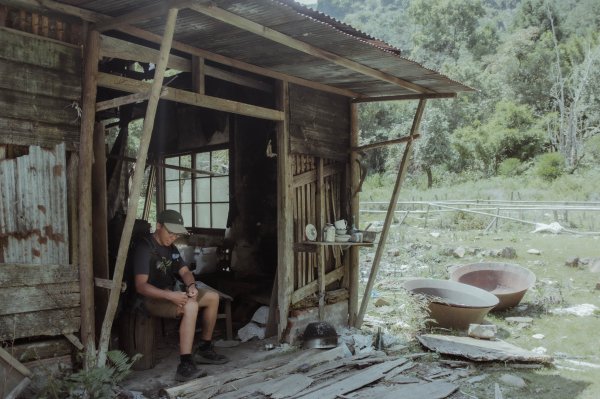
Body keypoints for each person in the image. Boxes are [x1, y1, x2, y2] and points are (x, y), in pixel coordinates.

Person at [132, 209, 228, 382]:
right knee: (191, 306)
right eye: (170, 232)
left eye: (176, 234)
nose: (173, 237)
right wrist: (171, 297)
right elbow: (141, 286)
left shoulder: (171, 248)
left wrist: (191, 285)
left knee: (213, 297)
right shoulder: (144, 247)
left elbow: (184, 272)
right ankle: (184, 365)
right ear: (158, 226)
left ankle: (205, 349)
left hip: (171, 293)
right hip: (151, 299)